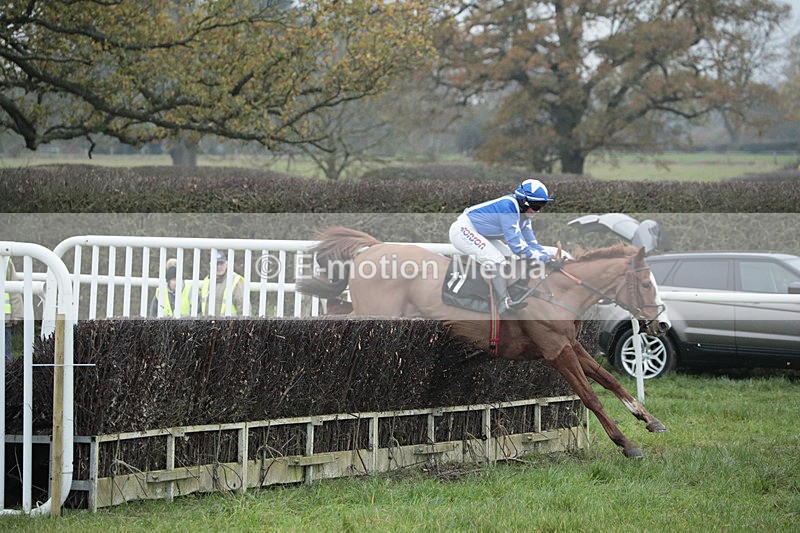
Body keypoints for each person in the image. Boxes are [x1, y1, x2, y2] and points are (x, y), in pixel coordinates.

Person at [449, 178, 555, 315]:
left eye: (542, 206)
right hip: (463, 230)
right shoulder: (508, 207)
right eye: (536, 206)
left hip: (479, 233)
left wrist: (548, 257)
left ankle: (505, 292)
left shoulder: (524, 215)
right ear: (524, 201)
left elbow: (531, 243)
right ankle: (503, 302)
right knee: (497, 261)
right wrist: (543, 259)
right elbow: (518, 246)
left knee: (510, 258)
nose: (538, 211)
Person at [200, 252, 244, 316]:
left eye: (221, 263)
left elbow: (242, 308)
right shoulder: (207, 280)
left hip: (230, 325)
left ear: (226, 264)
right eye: (216, 264)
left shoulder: (235, 280)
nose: (219, 267)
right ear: (210, 265)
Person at [3, 257, 24, 362]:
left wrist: (17, 313)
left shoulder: (5, 259)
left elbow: (14, 287)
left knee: (5, 356)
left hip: (3, 320)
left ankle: (7, 377)